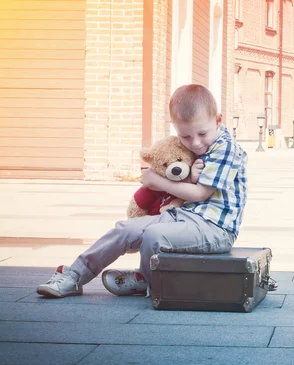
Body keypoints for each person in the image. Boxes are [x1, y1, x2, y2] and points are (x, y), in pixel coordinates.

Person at [37, 84, 248, 298]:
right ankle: (74, 276)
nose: (195, 142)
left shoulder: (226, 147)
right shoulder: (198, 143)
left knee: (155, 235)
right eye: (185, 136)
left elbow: (201, 194)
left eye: (202, 133)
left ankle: (145, 279)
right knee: (125, 229)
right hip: (182, 217)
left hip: (216, 229)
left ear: (218, 120)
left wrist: (155, 180)